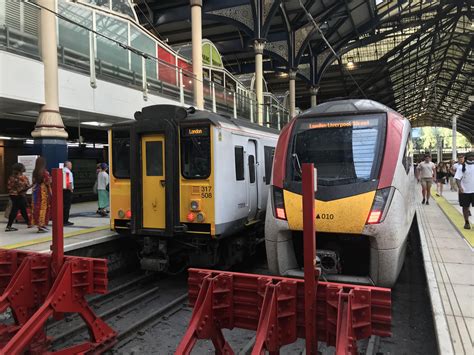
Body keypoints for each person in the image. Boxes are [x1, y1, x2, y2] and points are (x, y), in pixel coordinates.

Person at [5, 163, 31, 232]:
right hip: (19, 195)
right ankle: (9, 226)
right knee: (15, 210)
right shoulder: (20, 178)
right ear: (20, 169)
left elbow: (9, 186)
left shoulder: (12, 177)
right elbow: (22, 188)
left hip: (13, 195)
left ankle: (28, 223)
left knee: (22, 209)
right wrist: (31, 186)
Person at [31, 157, 51, 233]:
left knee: (36, 207)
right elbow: (47, 182)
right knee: (43, 208)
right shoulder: (44, 172)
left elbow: (33, 182)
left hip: (35, 190)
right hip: (43, 192)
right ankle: (42, 225)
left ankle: (39, 225)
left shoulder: (34, 172)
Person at [454, 151, 474, 229]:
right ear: (467, 157)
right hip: (465, 191)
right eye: (470, 156)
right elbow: (457, 178)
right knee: (465, 207)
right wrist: (460, 187)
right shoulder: (461, 167)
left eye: (473, 156)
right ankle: (466, 222)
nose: (472, 157)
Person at [63, 161, 74, 226]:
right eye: (71, 165)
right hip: (67, 191)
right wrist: (71, 190)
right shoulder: (69, 172)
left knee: (63, 206)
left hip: (62, 190)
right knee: (67, 206)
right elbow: (69, 182)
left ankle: (62, 220)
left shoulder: (62, 170)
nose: (71, 166)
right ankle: (65, 221)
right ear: (67, 165)